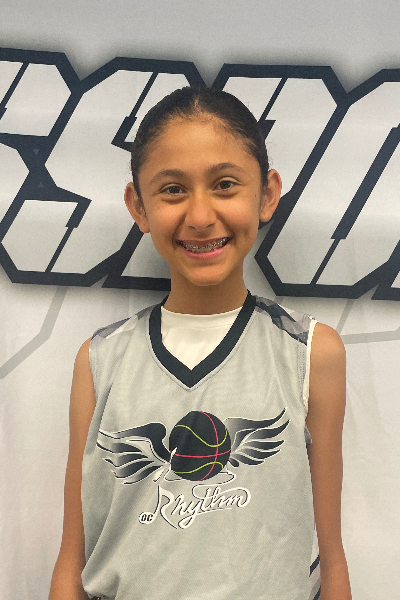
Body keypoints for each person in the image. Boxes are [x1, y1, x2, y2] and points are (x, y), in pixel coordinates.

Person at [49, 87, 352, 600]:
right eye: (172, 190)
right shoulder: (100, 359)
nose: (200, 215)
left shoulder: (310, 351)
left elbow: (331, 554)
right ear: (138, 206)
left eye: (225, 184)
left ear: (267, 194)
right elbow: (71, 559)